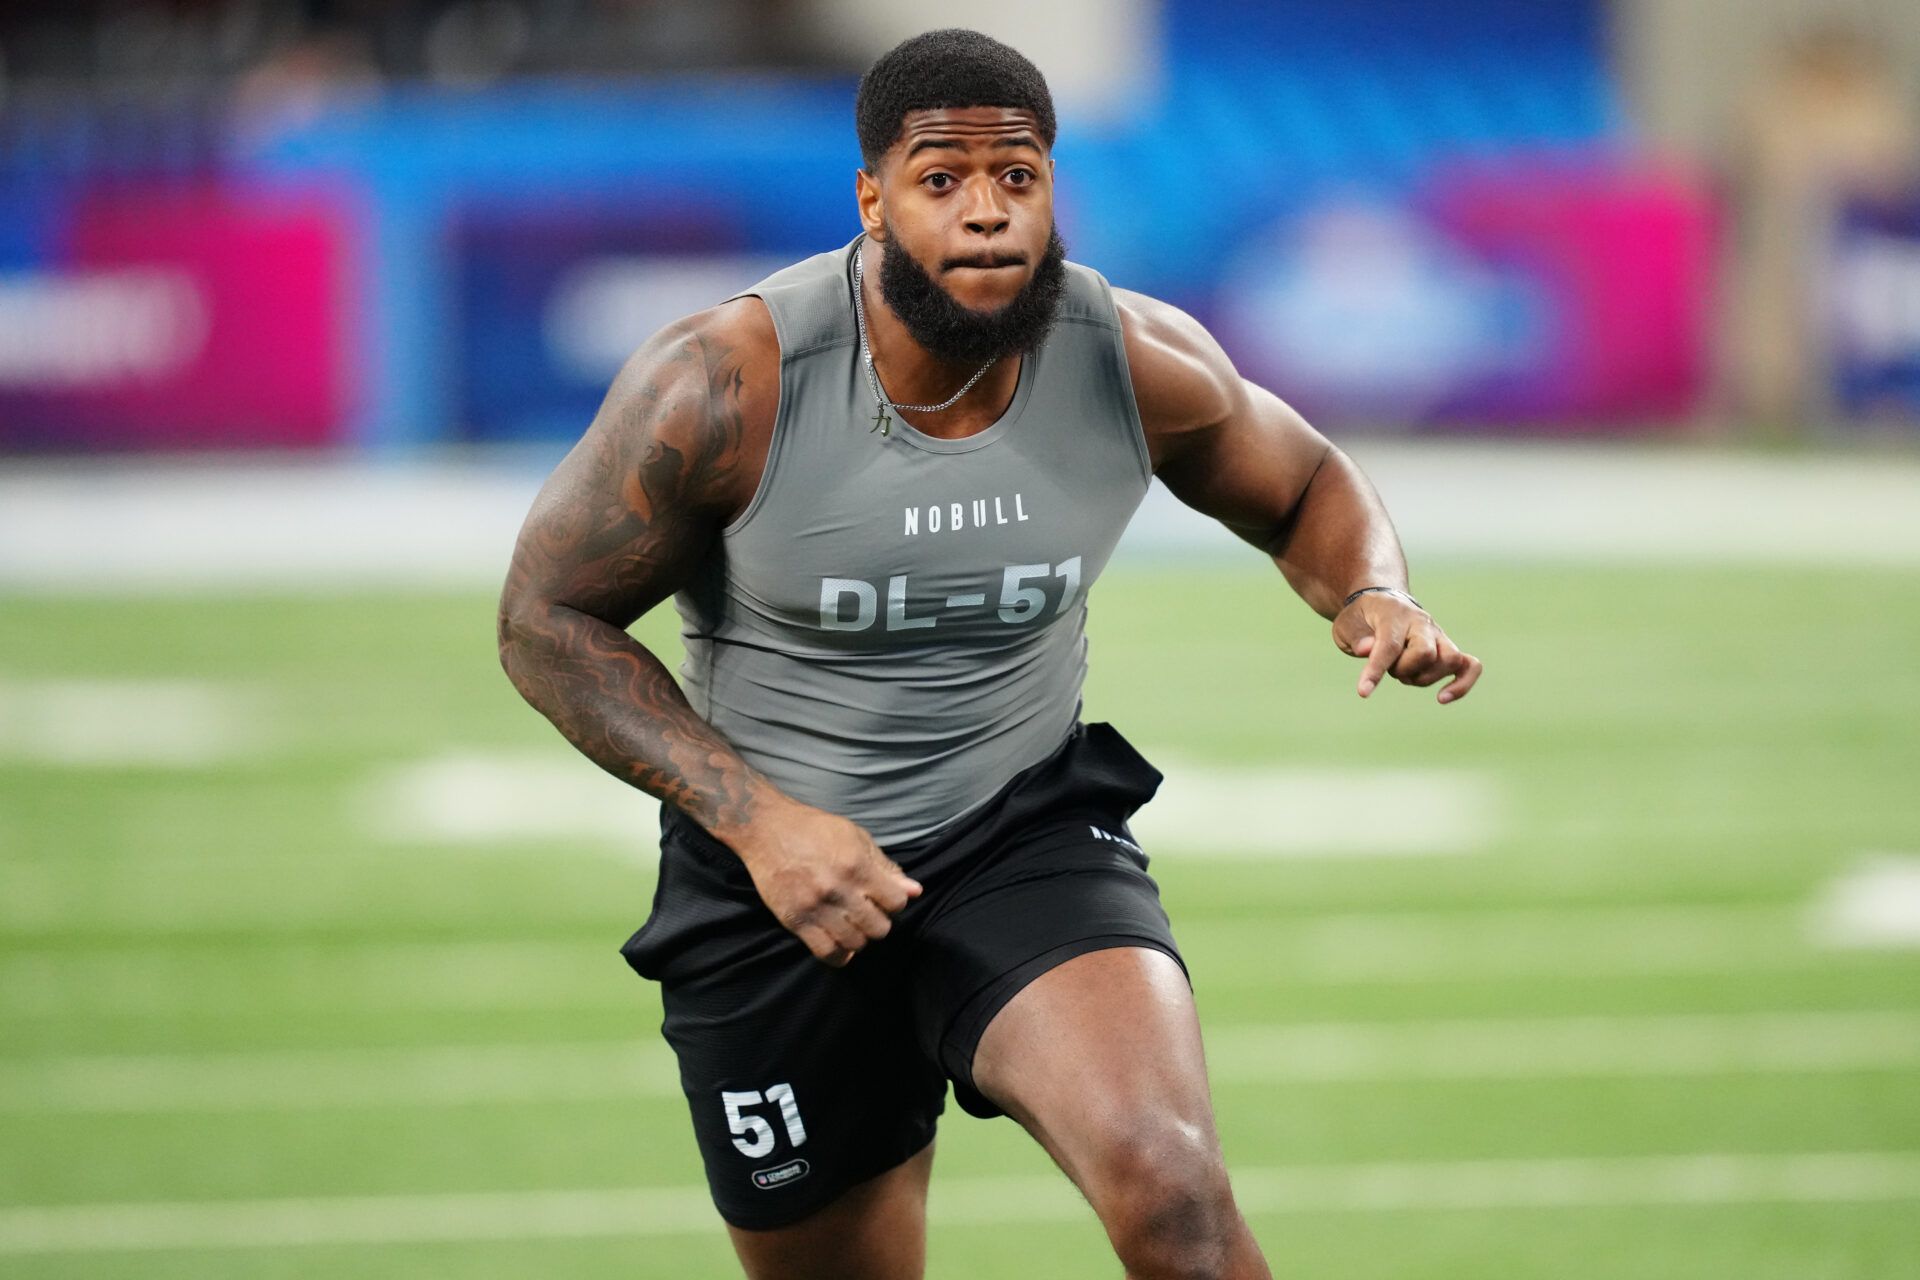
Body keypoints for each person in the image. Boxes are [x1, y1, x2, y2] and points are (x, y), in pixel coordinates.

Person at [497, 27, 1481, 1280]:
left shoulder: (1129, 357)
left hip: (1020, 829)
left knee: (1174, 1188)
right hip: (775, 877)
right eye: (942, 179)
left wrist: (1371, 590)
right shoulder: (727, 384)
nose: (986, 215)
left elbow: (1307, 484)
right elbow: (544, 618)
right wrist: (758, 820)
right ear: (871, 199)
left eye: (1017, 178)